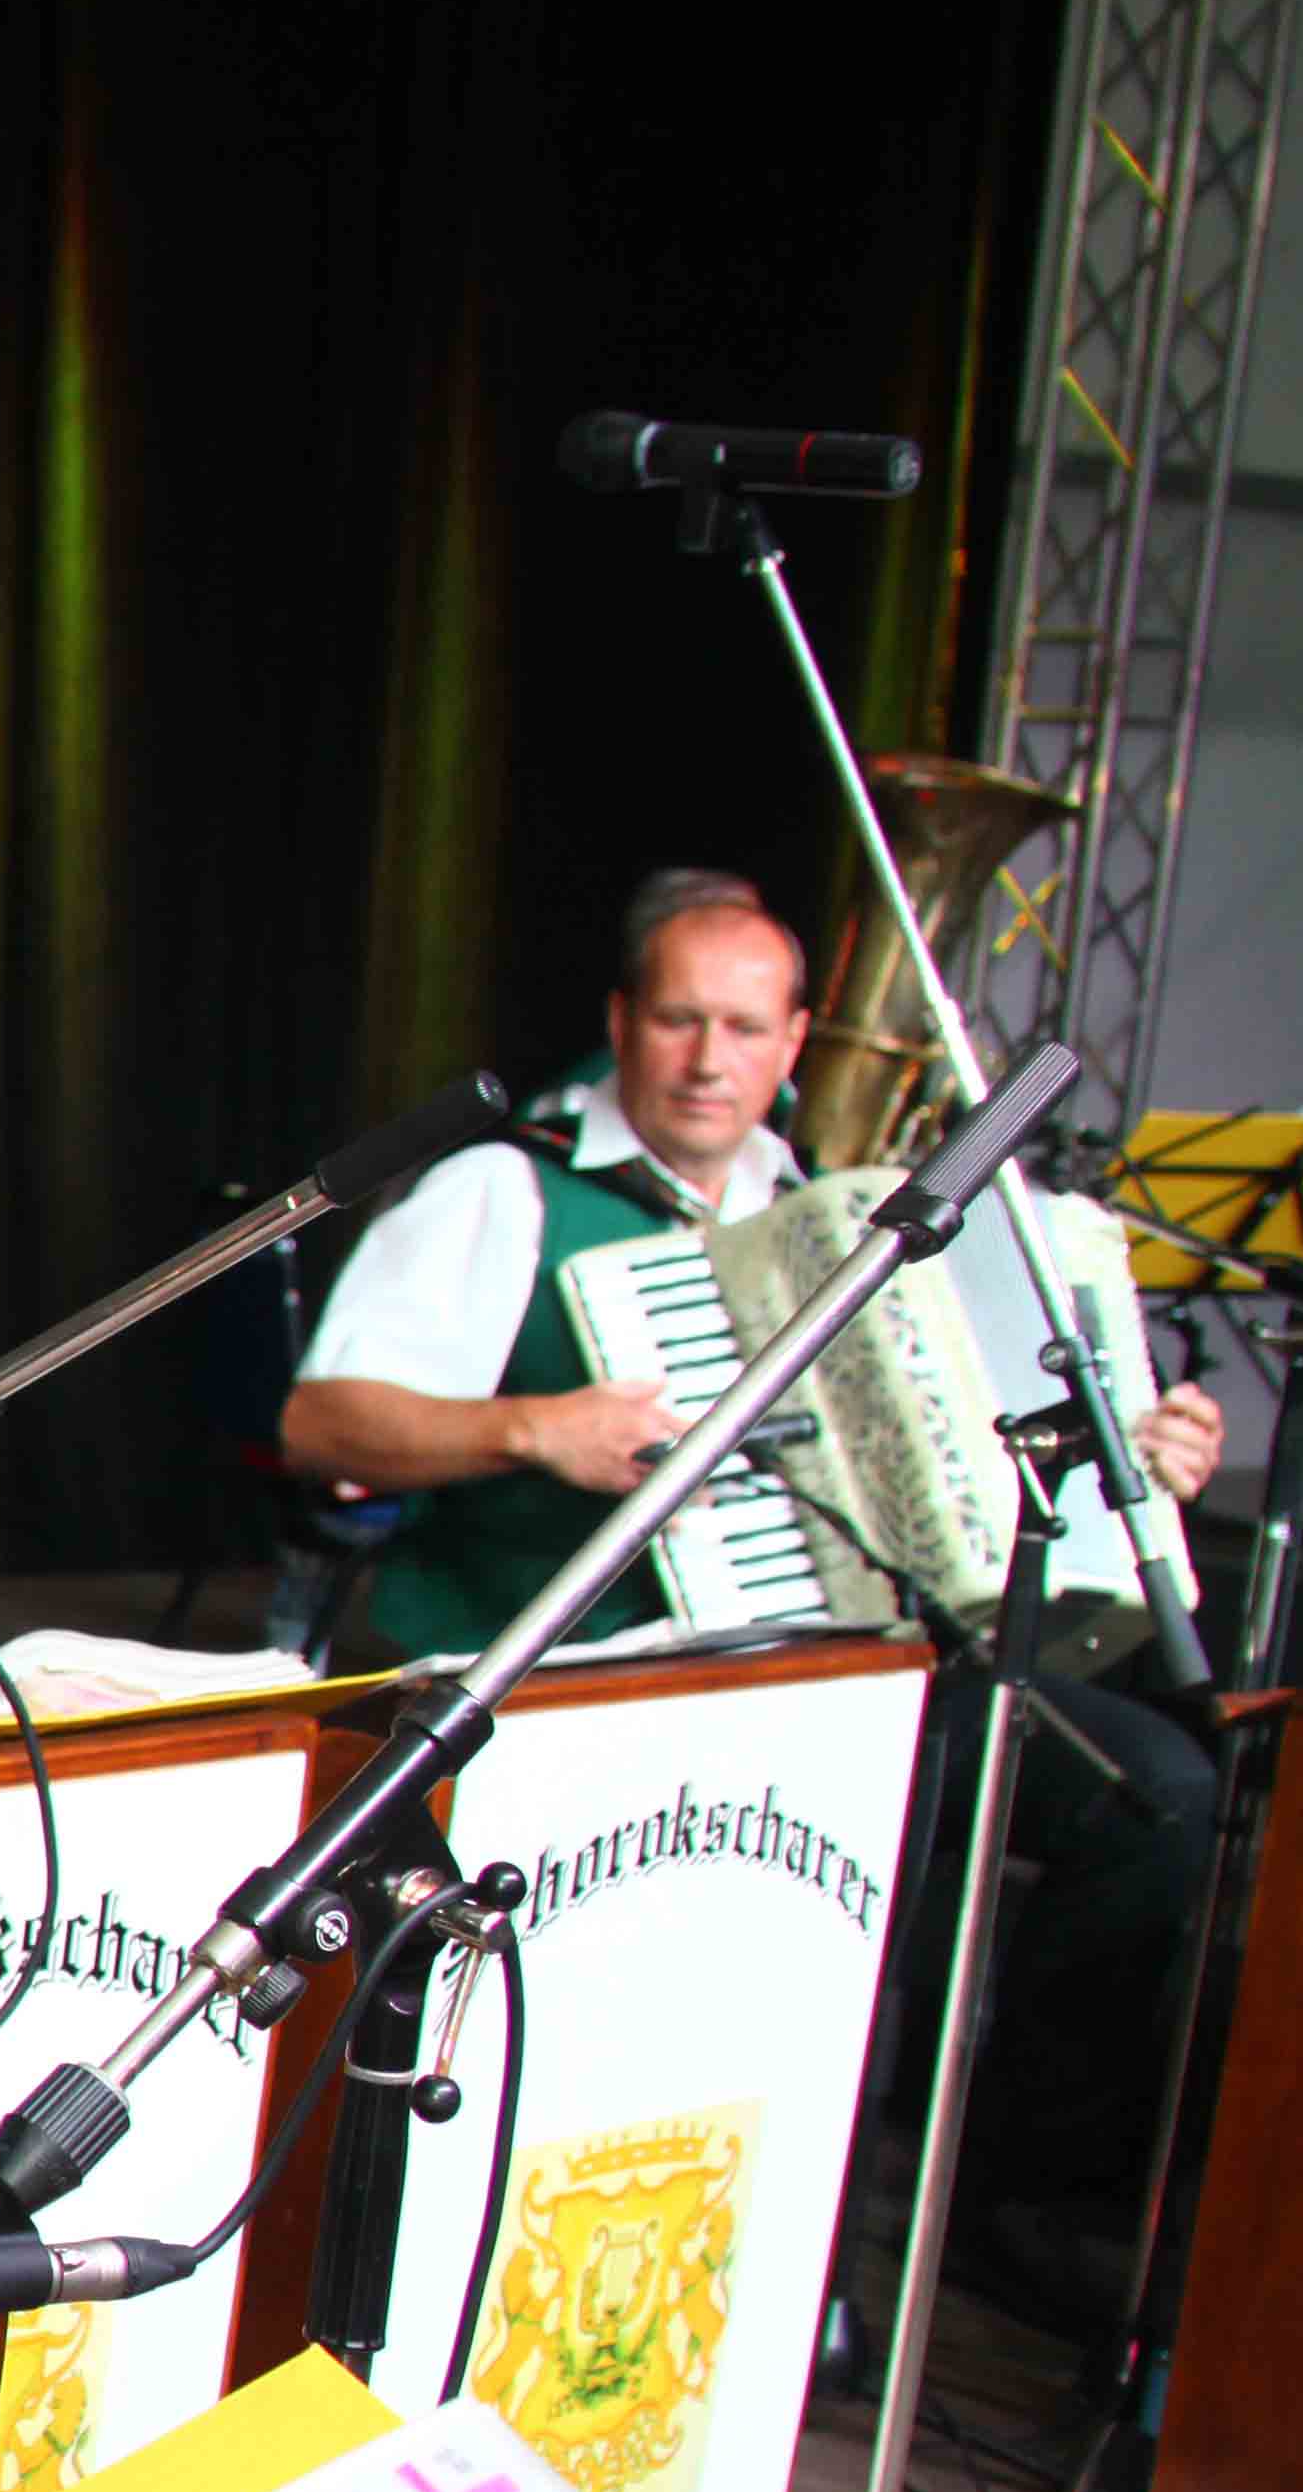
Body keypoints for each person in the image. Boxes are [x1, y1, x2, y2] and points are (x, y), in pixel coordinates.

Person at [283, 866, 1224, 2274]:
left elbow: (955, 1468)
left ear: (795, 1044)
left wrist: (1124, 1454)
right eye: (678, 1020)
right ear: (623, 1023)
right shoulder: (507, 1187)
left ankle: (977, 2208)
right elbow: (322, 1424)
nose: (707, 1059)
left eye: (742, 1028)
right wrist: (530, 1428)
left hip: (833, 1665)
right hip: (572, 1667)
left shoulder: (861, 1218)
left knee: (1159, 1795)